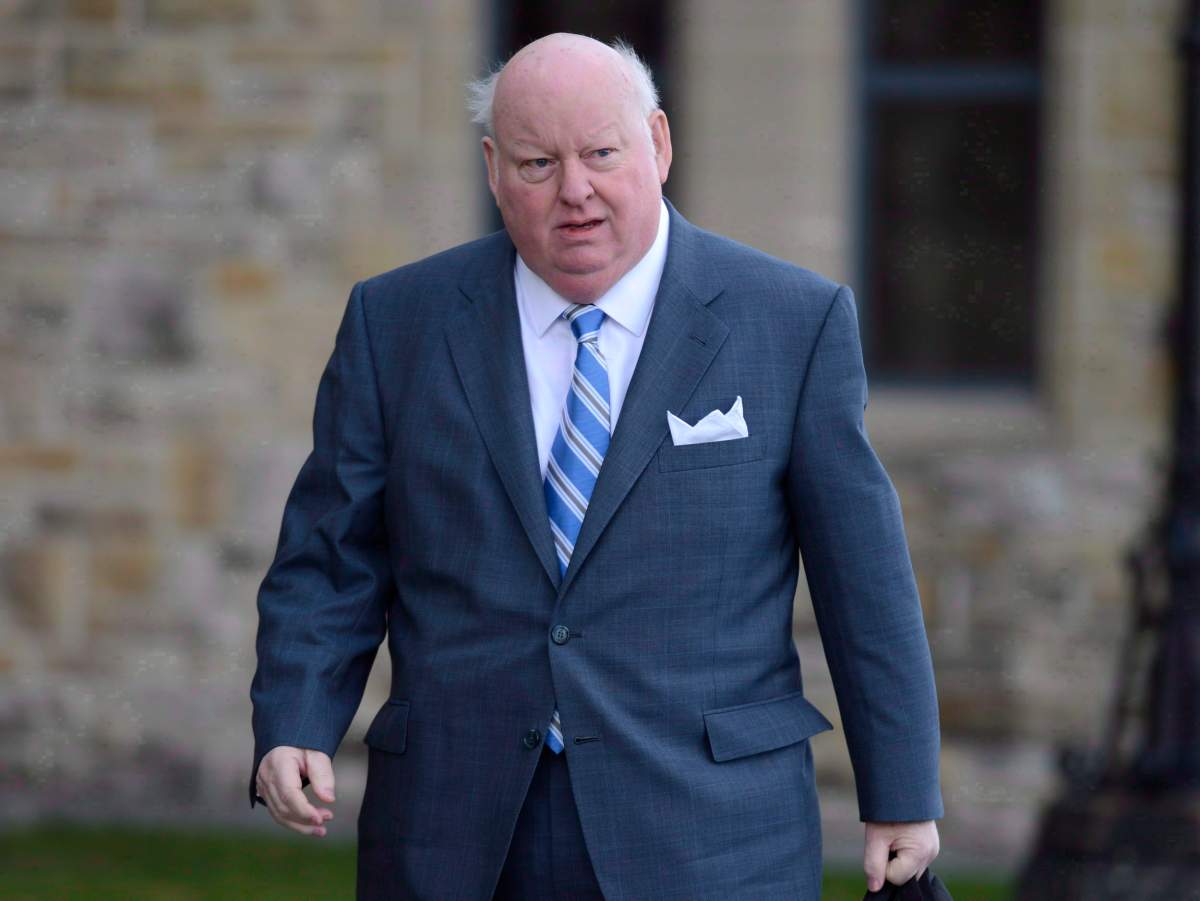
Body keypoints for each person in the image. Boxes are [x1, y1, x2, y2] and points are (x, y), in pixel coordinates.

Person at [248, 31, 943, 901]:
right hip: (454, 830)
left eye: (601, 154)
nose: (574, 190)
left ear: (658, 143)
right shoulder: (396, 324)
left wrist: (901, 792)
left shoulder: (791, 321)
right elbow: (330, 557)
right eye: (538, 164)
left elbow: (863, 577)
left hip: (711, 837)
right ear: (494, 169)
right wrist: (295, 718)